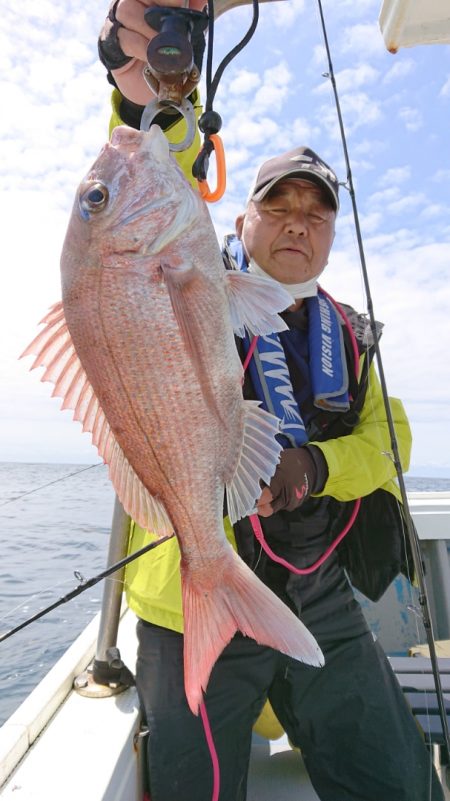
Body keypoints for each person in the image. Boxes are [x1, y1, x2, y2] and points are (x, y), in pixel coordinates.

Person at [98, 3, 445, 800]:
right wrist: (140, 85)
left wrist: (316, 463)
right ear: (238, 212)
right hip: (194, 596)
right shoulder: (183, 276)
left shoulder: (348, 336)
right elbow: (151, 158)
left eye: (315, 213)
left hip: (317, 590)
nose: (298, 225)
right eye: (278, 207)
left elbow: (391, 437)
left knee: (399, 781)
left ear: (330, 234)